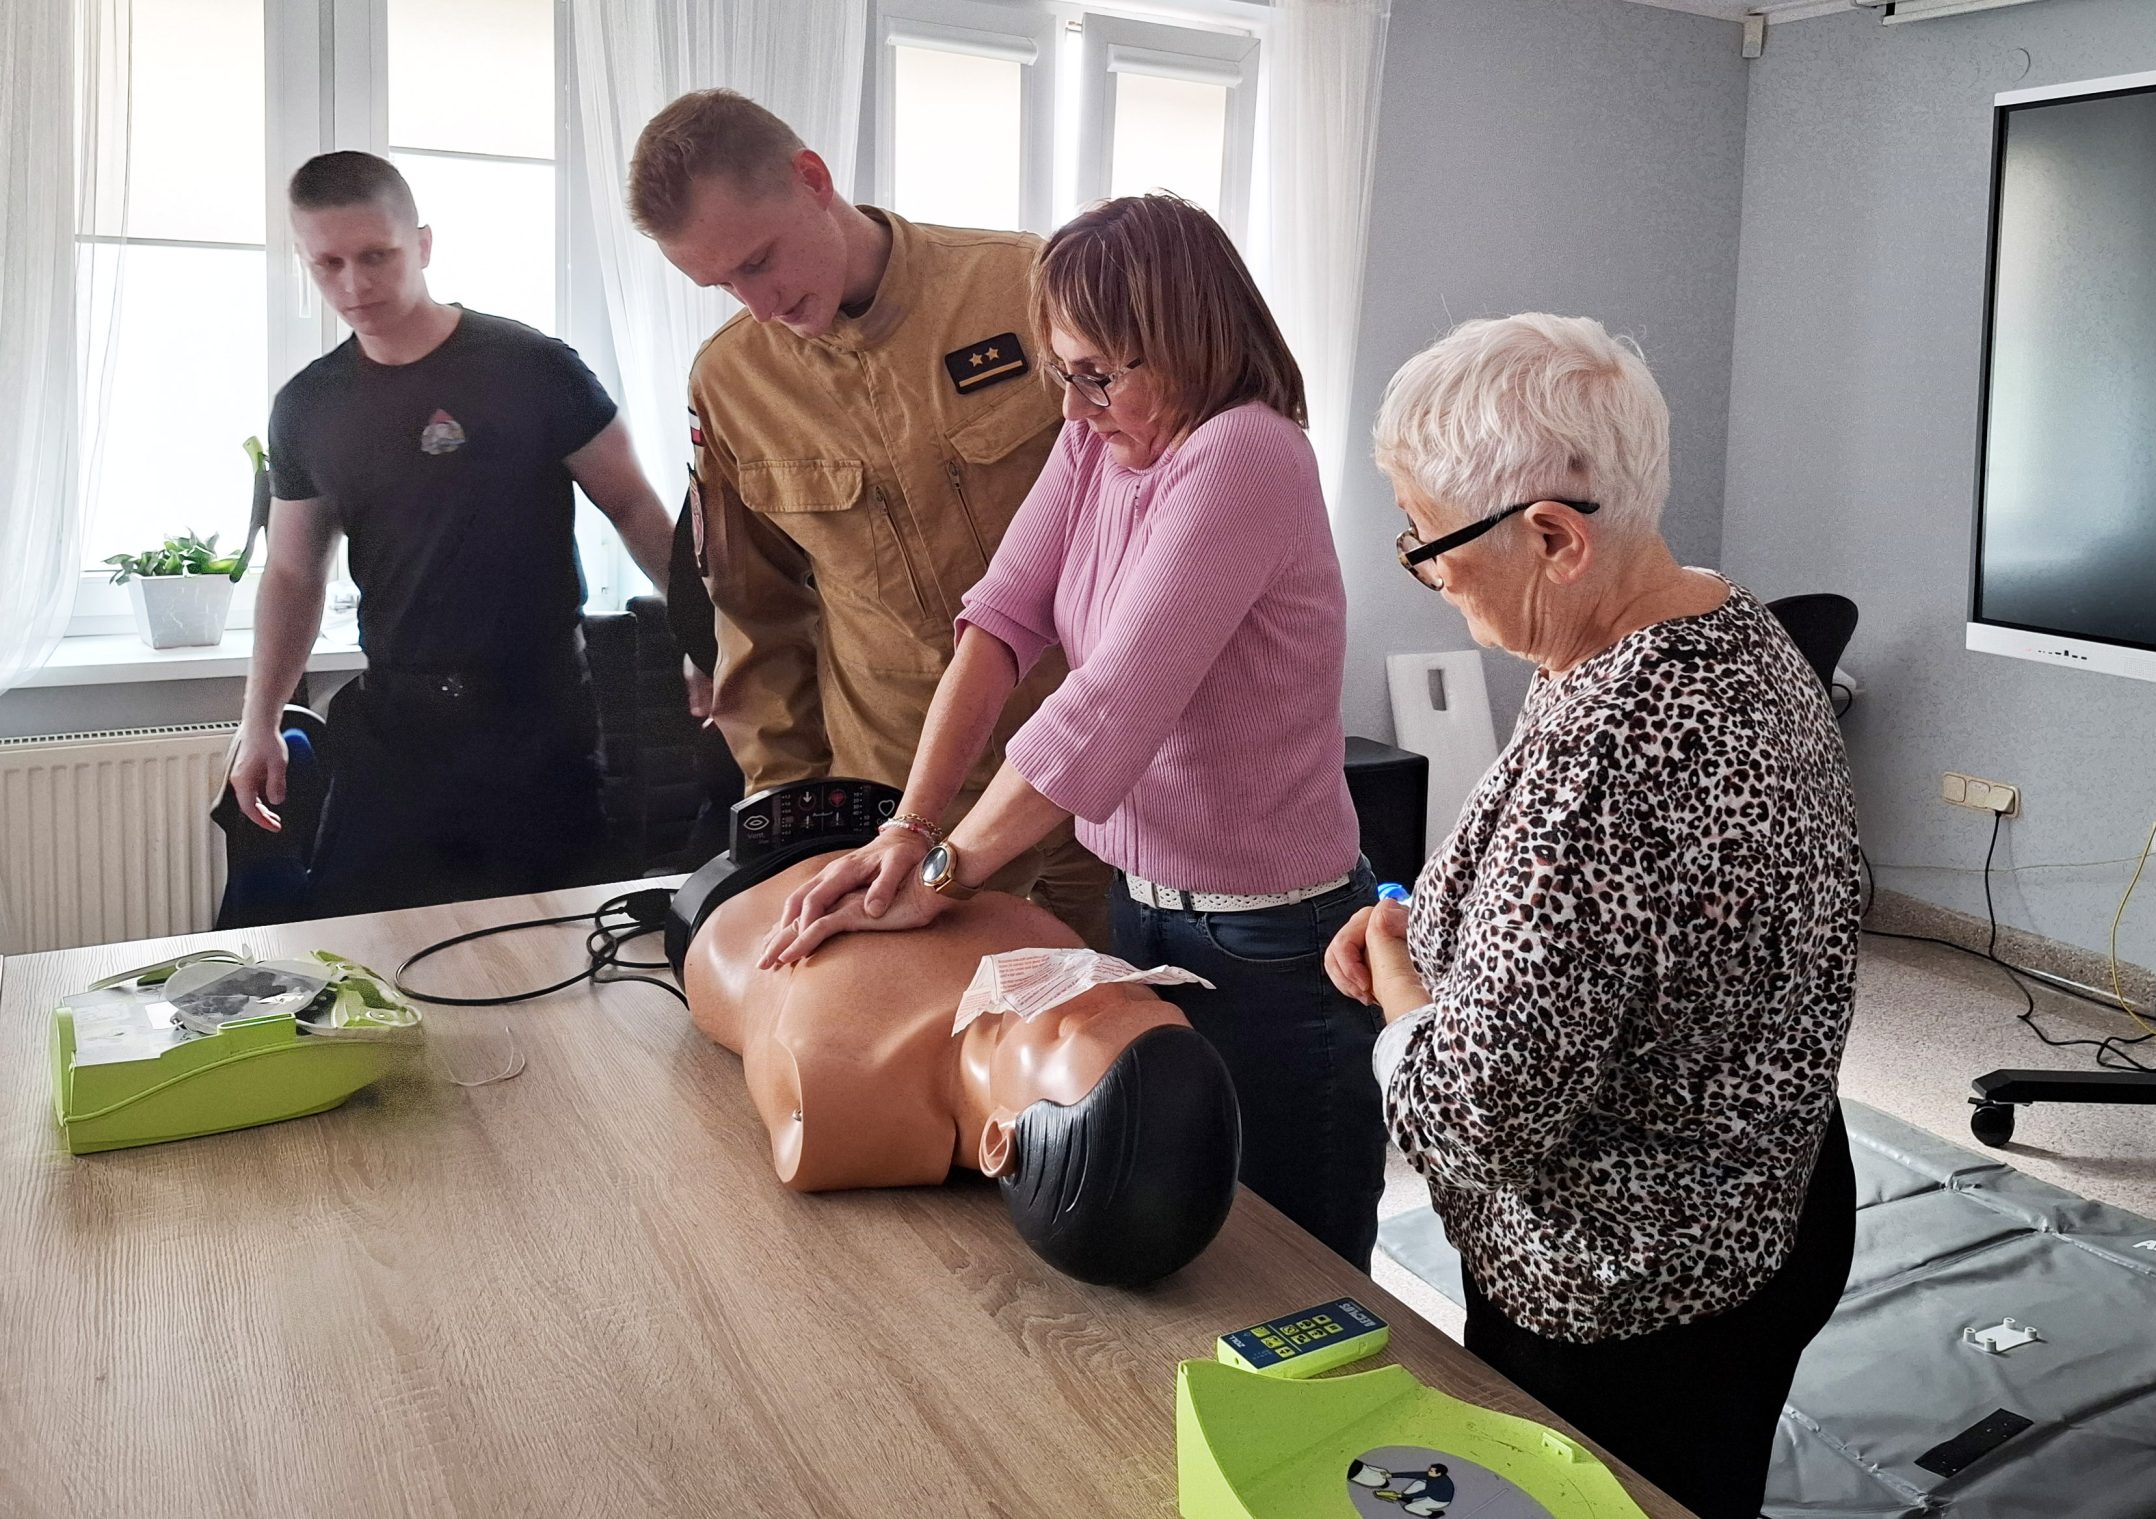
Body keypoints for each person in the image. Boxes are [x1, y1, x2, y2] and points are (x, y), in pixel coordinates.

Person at [757, 195, 1385, 1269]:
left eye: (1098, 373)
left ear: (1187, 338)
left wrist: (946, 872)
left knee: (1298, 1263)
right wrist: (910, 828)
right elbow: (999, 623)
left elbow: (1109, 704)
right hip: (1144, 911)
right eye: (1062, 373)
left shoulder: (1246, 451)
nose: (1076, 405)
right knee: (1179, 1246)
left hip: (1277, 942)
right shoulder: (1099, 441)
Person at [1325, 314, 1862, 1518]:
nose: (1427, 571)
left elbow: (1473, 1116)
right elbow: (1606, 930)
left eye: (1427, 541)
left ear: (1555, 538)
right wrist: (1448, 931)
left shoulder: (1610, 755)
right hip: (1769, 1195)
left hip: (1631, 1283)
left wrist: (1401, 977)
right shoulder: (1727, 620)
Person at [626, 89, 1111, 946]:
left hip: (1100, 774)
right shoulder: (732, 382)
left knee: (1133, 1021)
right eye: (722, 284)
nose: (758, 304)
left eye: (759, 261)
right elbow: (757, 618)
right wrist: (792, 821)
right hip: (904, 805)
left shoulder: (1025, 285)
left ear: (812, 179)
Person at [229, 152, 677, 917]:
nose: (354, 285)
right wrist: (259, 719)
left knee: (556, 945)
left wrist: (708, 635)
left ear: (424, 244)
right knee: (361, 947)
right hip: (396, 726)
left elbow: (634, 506)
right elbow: (294, 573)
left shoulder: (534, 366)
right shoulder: (308, 404)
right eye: (328, 264)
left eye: (377, 256)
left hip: (538, 722)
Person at [679, 855, 1239, 1286]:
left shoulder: (834, 1079)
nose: (1100, 983)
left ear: (1000, 1139)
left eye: (1074, 1026)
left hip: (728, 892)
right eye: (1139, 998)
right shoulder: (1069, 967)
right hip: (891, 842)